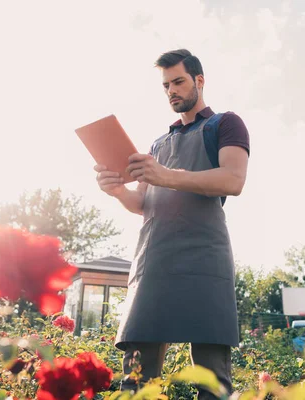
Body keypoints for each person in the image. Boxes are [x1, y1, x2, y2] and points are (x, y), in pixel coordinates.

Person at [94, 49, 250, 399]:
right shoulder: (157, 145)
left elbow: (233, 180)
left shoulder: (225, 124)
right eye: (165, 86)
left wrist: (166, 175)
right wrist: (117, 190)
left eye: (178, 82)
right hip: (154, 260)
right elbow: (142, 203)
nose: (171, 91)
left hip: (204, 258)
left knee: (211, 380)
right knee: (136, 379)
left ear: (199, 80)